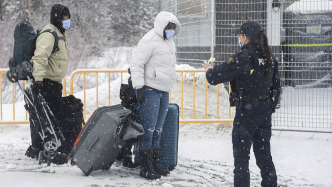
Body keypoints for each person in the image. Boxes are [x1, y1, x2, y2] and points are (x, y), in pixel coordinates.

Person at [202, 20, 281, 187]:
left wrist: (208, 69)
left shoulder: (243, 58)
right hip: (263, 112)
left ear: (245, 38)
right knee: (264, 155)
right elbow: (277, 88)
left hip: (246, 113)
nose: (238, 38)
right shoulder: (270, 58)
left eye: (239, 35)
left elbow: (214, 77)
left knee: (241, 159)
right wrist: (268, 108)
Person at [130, 11, 181, 180]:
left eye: (173, 27)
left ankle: (155, 164)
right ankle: (145, 167)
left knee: (159, 129)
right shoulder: (149, 40)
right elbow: (137, 63)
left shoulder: (169, 42)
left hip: (164, 91)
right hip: (150, 90)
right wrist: (139, 88)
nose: (171, 30)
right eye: (169, 27)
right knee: (149, 130)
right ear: (161, 26)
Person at [25, 4, 71, 165]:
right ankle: (48, 150)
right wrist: (38, 80)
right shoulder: (50, 34)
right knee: (49, 118)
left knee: (46, 117)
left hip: (53, 83)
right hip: (46, 83)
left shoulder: (58, 33)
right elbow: (40, 57)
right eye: (65, 18)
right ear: (58, 18)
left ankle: (39, 148)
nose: (67, 22)